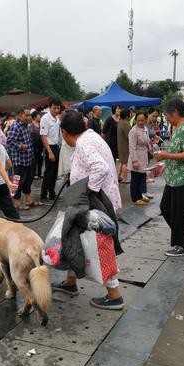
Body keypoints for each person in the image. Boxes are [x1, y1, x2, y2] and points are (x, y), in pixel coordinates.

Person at [52, 111, 123, 310]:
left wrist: (87, 191)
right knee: (74, 239)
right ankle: (70, 282)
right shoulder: (91, 136)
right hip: (95, 202)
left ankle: (115, 295)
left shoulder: (83, 143)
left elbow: (100, 168)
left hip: (96, 204)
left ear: (65, 133)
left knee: (100, 247)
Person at [154, 99, 184, 257]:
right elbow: (177, 151)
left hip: (183, 178)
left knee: (179, 212)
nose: (167, 119)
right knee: (166, 208)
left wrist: (166, 155)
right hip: (174, 178)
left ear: (175, 113)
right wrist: (165, 164)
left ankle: (182, 246)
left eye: (167, 116)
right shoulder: (178, 128)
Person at [7, 107, 35, 209]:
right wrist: (21, 146)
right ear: (19, 115)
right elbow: (9, 141)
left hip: (28, 158)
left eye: (29, 115)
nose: (28, 117)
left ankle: (28, 199)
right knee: (18, 181)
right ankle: (16, 202)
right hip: (19, 159)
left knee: (28, 179)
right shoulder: (15, 126)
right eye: (26, 115)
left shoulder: (27, 125)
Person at [40, 98, 63, 204]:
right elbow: (43, 136)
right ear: (49, 107)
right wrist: (49, 152)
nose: (56, 110)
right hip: (50, 147)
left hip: (57, 147)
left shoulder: (57, 118)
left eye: (58, 108)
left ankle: (52, 193)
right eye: (54, 108)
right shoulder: (45, 118)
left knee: (54, 173)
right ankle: (43, 196)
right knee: (48, 173)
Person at [127, 112, 152, 205]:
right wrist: (134, 160)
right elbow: (132, 147)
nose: (140, 122)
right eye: (138, 120)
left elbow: (147, 141)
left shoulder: (145, 129)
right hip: (136, 156)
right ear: (135, 120)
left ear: (145, 120)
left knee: (142, 177)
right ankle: (135, 198)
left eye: (142, 120)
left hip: (143, 156)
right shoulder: (133, 131)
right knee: (135, 178)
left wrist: (151, 150)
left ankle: (140, 196)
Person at [117, 108, 131, 183]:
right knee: (125, 162)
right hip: (125, 145)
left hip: (120, 144)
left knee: (121, 161)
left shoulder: (120, 122)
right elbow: (129, 136)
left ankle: (118, 176)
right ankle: (124, 178)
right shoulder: (125, 123)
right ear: (127, 116)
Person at [30, 110, 43, 179]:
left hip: (41, 144)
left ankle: (39, 173)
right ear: (34, 117)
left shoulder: (41, 124)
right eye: (38, 115)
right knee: (34, 160)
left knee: (40, 160)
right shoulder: (31, 125)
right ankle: (34, 174)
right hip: (34, 145)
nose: (40, 116)